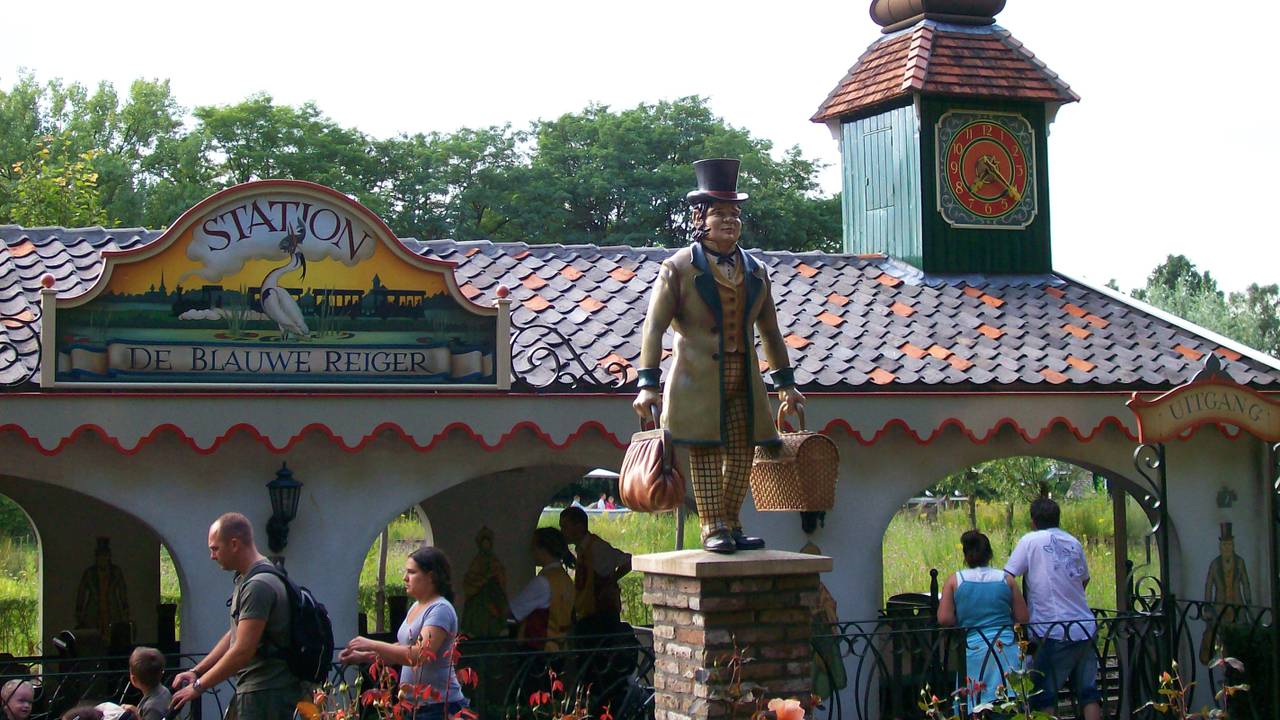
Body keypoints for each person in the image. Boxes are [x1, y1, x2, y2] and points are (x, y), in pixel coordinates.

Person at [633, 158, 804, 553]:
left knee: (744, 453)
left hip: (743, 374)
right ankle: (712, 526)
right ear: (701, 219)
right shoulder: (677, 268)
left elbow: (770, 330)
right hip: (696, 376)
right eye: (720, 213)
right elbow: (654, 327)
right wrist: (647, 383)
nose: (730, 221)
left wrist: (785, 384)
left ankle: (731, 521)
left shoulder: (756, 270)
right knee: (706, 452)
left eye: (735, 214)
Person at [171, 513, 304, 719]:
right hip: (258, 692)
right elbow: (235, 635)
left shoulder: (258, 585)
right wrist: (197, 672)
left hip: (266, 695)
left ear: (234, 544)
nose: (212, 556)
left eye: (215, 548)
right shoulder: (249, 578)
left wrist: (198, 687)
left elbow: (242, 650)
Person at [341, 547, 468, 720]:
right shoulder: (417, 606)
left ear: (430, 576)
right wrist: (362, 656)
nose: (405, 578)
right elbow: (400, 652)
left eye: (411, 572)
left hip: (438, 708)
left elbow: (419, 655)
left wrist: (371, 643)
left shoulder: (440, 609)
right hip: (414, 706)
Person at [1004, 498, 1100, 720]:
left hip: (1055, 628)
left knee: (1043, 695)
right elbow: (1084, 579)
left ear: (1033, 521)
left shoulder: (1030, 540)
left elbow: (1008, 576)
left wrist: (1022, 609)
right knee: (1088, 692)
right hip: (1085, 625)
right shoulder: (1073, 541)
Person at [938, 530, 1028, 711]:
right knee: (1010, 704)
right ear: (990, 554)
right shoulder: (1006, 579)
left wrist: (962, 619)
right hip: (1006, 648)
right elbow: (1023, 617)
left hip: (974, 649)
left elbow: (944, 618)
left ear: (966, 555)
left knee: (975, 702)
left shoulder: (955, 581)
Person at [558, 507, 630, 628]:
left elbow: (628, 561)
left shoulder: (596, 547)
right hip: (590, 615)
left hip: (601, 616)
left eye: (565, 526)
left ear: (579, 527)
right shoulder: (583, 548)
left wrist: (610, 583)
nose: (562, 531)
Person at [507, 527, 576, 652]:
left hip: (539, 649)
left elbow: (514, 610)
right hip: (560, 646)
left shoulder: (543, 582)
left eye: (534, 547)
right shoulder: (566, 579)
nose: (531, 551)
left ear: (543, 550)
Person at [75, 537, 130, 636]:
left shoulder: (116, 572)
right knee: (94, 636)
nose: (103, 558)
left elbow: (122, 591)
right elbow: (81, 592)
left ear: (109, 556)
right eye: (100, 556)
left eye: (105, 555)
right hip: (93, 610)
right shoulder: (89, 573)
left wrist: (125, 607)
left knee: (113, 635)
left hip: (112, 609)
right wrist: (79, 609)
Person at [121, 647, 170, 720]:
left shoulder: (152, 707)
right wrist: (135, 711)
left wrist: (136, 713)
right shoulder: (163, 691)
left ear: (134, 679)